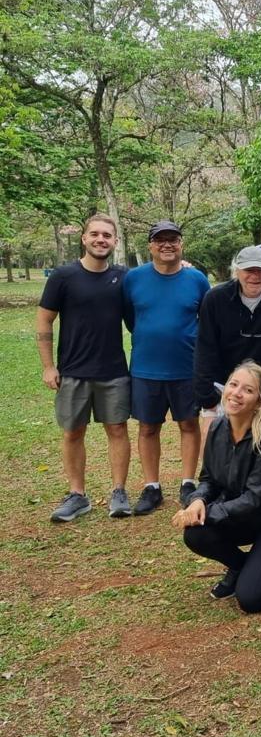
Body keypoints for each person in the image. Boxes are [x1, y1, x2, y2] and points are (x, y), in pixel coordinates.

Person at [172, 361, 261, 613]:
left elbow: (254, 498)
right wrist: (197, 501)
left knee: (252, 599)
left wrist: (207, 512)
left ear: (259, 401)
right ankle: (242, 564)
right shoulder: (218, 426)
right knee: (195, 533)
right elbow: (208, 479)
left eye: (248, 390)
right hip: (238, 514)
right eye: (233, 384)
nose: (237, 393)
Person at [37, 214, 133, 522]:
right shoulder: (63, 276)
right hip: (73, 370)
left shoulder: (123, 277)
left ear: (115, 241)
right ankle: (77, 495)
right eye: (95, 234)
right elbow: (44, 320)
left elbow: (155, 279)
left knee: (117, 429)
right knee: (72, 432)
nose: (101, 239)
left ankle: (119, 492)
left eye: (107, 235)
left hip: (113, 371)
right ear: (84, 238)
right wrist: (49, 366)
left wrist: (181, 265)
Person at [123, 220, 211, 513]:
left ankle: (187, 482)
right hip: (146, 368)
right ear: (150, 246)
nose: (167, 244)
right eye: (160, 240)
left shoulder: (196, 279)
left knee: (188, 423)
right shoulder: (133, 279)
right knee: (148, 427)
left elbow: (206, 319)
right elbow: (130, 318)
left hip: (187, 366)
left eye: (173, 239)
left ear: (181, 244)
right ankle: (152, 487)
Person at [193, 245, 261, 415]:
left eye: (260, 270)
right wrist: (206, 395)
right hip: (225, 385)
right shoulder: (215, 299)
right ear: (236, 272)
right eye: (248, 270)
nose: (254, 276)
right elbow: (205, 347)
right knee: (214, 437)